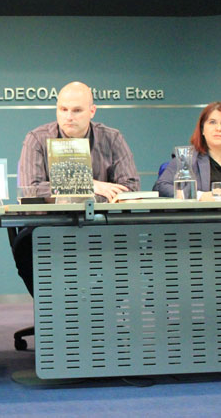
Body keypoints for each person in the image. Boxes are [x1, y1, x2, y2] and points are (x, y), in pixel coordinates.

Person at [12, 81, 140, 295]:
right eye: (63, 109)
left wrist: (87, 197)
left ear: (92, 111)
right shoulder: (37, 138)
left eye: (77, 110)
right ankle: (52, 308)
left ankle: (102, 307)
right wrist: (89, 187)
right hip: (47, 227)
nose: (69, 116)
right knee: (26, 247)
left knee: (130, 242)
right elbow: (30, 189)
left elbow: (131, 188)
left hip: (100, 226)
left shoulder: (112, 138)